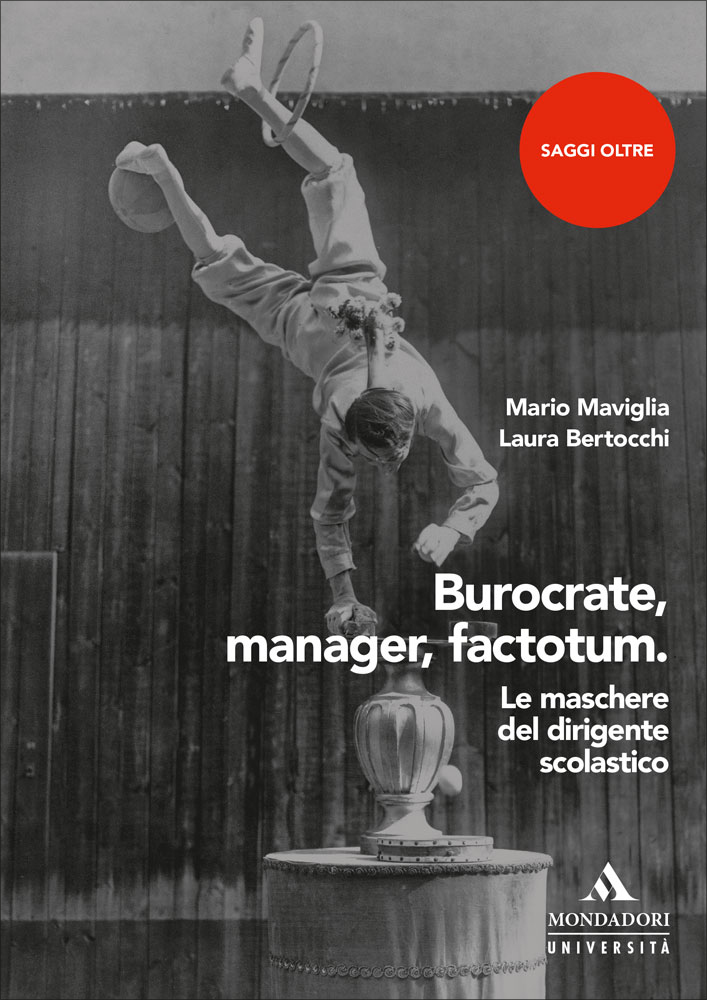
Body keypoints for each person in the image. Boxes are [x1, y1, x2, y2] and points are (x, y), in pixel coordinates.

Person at [113, 18, 498, 636]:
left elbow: (340, 514)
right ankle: (167, 167)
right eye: (378, 456)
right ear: (375, 434)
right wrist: (447, 532)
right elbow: (342, 511)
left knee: (332, 175)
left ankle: (237, 103)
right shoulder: (358, 421)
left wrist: (444, 534)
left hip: (342, 304)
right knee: (217, 259)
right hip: (311, 331)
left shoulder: (401, 406)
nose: (385, 464)